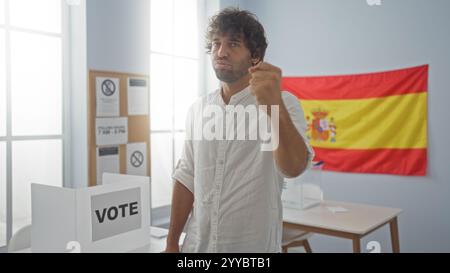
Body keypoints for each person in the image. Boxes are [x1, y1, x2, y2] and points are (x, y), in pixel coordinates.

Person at [165, 7, 314, 253]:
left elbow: (293, 168)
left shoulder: (284, 103)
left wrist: (273, 105)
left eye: (233, 44)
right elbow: (186, 177)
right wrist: (172, 244)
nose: (221, 52)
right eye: (215, 44)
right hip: (196, 248)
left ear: (254, 57)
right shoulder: (198, 109)